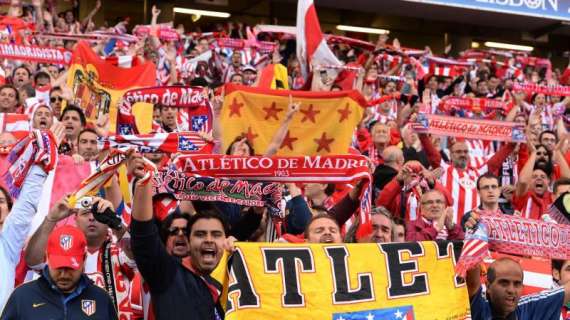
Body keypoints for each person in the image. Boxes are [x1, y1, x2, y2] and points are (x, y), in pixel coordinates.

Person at [128, 151, 230, 319]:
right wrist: (143, 182)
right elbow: (143, 236)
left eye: (216, 234)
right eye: (200, 234)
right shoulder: (168, 272)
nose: (209, 240)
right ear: (190, 241)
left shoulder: (229, 276)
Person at [25, 196, 136, 319]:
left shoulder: (118, 251)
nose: (92, 218)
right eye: (86, 213)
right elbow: (33, 261)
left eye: (98, 214)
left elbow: (137, 254)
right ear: (75, 219)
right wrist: (51, 219)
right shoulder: (60, 250)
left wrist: (115, 221)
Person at [1, 225, 118, 319]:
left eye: (71, 267)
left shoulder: (101, 298)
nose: (64, 274)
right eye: (58, 266)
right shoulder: (22, 296)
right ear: (47, 257)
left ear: (84, 259)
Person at [0, 164, 47, 311]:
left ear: (9, 209)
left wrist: (40, 165)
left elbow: (26, 205)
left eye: (0, 201)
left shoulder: (8, 243)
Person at [466, 257, 570, 320]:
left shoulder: (530, 308)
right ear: (488, 286)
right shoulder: (479, 308)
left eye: (517, 284)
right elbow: (472, 280)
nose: (511, 290)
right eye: (504, 283)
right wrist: (473, 234)